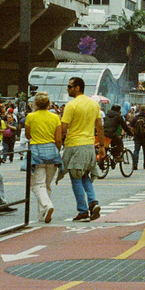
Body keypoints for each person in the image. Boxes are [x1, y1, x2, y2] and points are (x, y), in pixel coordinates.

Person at [55, 77, 105, 222]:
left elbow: (63, 128)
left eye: (70, 86)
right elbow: (99, 127)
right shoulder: (94, 104)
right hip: (89, 146)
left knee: (75, 177)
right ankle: (93, 202)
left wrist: (56, 143)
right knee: (85, 175)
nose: (67, 89)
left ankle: (83, 210)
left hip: (75, 145)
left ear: (77, 88)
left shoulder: (71, 105)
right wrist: (101, 146)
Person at [24, 92, 63, 224]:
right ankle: (42, 214)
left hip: (36, 151)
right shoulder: (55, 117)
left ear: (35, 104)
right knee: (46, 185)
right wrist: (57, 150)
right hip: (52, 151)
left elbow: (28, 136)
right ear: (49, 104)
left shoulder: (30, 117)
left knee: (37, 184)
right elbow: (58, 138)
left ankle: (47, 206)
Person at [131, 106, 145, 170]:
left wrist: (134, 133)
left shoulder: (136, 117)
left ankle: (135, 164)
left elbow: (132, 126)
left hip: (137, 137)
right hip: (144, 137)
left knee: (136, 150)